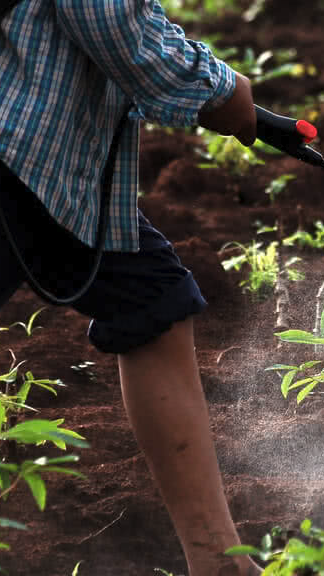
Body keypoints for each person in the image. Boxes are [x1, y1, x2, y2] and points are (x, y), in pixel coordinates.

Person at [0, 2, 262, 575]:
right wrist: (217, 89)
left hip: (45, 157)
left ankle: (221, 562)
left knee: (150, 295)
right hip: (16, 145)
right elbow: (107, 16)